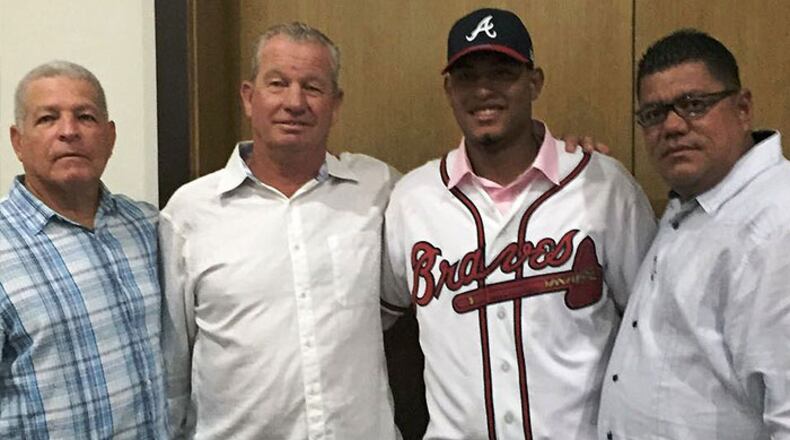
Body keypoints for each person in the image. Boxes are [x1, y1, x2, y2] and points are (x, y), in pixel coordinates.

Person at [381, 7, 657, 440]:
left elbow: (650, 330)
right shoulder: (412, 200)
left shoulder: (603, 185)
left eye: (502, 72)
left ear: (535, 81)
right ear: (449, 89)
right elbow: (381, 321)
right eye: (468, 77)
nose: (484, 90)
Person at [160, 22, 401, 439]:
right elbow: (171, 364)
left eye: (312, 87)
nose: (295, 102)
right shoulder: (189, 213)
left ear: (335, 103)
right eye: (278, 83)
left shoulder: (378, 189)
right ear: (249, 98)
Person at [598, 29, 790, 440]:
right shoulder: (698, 202)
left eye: (693, 105)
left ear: (742, 108)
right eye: (653, 114)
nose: (671, 126)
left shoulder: (776, 225)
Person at [0, 61, 166, 438]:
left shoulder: (148, 227)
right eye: (47, 119)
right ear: (17, 141)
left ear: (109, 137)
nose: (69, 132)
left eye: (85, 117)